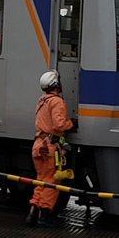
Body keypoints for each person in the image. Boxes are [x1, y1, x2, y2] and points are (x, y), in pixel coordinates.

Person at [26, 70, 77, 228]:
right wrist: (72, 124)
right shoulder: (56, 101)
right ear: (56, 85)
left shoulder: (42, 100)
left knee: (40, 180)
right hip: (50, 147)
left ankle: (32, 212)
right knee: (51, 182)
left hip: (39, 145)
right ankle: (44, 216)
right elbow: (59, 124)